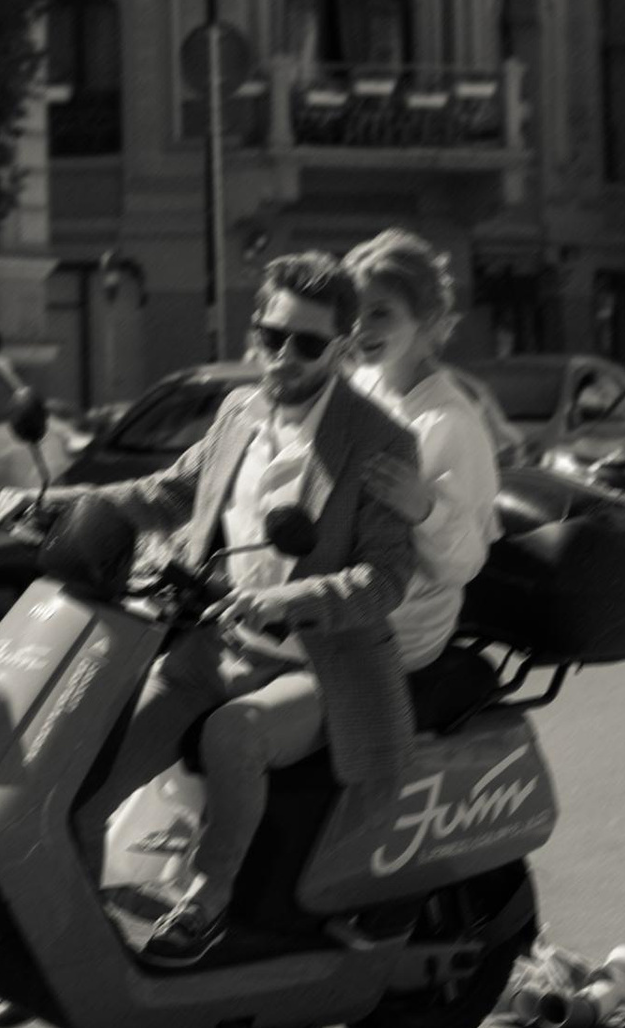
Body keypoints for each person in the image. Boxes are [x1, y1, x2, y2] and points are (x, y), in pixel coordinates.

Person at [50, 252, 424, 969]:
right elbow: (166, 492)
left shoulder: (377, 438)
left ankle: (208, 901)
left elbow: (386, 578)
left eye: (307, 342)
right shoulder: (239, 412)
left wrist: (282, 598)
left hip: (323, 665)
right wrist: (52, 507)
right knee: (95, 762)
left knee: (233, 734)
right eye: (271, 335)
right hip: (219, 646)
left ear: (343, 347)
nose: (282, 355)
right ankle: (65, 928)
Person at [343, 230, 502, 672]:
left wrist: (425, 508)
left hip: (403, 628)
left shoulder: (449, 422)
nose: (360, 329)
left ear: (426, 319)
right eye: (353, 313)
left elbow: (464, 563)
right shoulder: (363, 386)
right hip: (341, 606)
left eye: (380, 313)